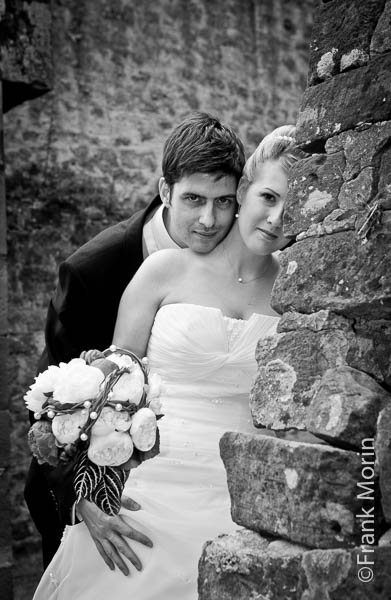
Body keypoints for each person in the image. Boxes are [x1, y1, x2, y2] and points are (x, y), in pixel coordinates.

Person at [32, 125, 303, 600]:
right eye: (268, 197)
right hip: (152, 483)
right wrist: (89, 492)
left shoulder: (300, 293)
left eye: (220, 202)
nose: (209, 218)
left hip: (244, 488)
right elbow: (104, 390)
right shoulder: (152, 270)